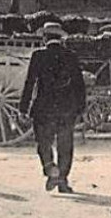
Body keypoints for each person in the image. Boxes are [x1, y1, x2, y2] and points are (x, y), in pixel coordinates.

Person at [18, 21, 87, 192]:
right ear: (61, 38)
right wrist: (80, 108)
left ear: (44, 38)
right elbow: (79, 84)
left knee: (43, 142)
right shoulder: (70, 55)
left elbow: (30, 83)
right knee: (65, 144)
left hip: (44, 108)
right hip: (66, 109)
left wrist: (23, 108)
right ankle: (62, 180)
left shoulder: (38, 56)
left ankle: (50, 169)